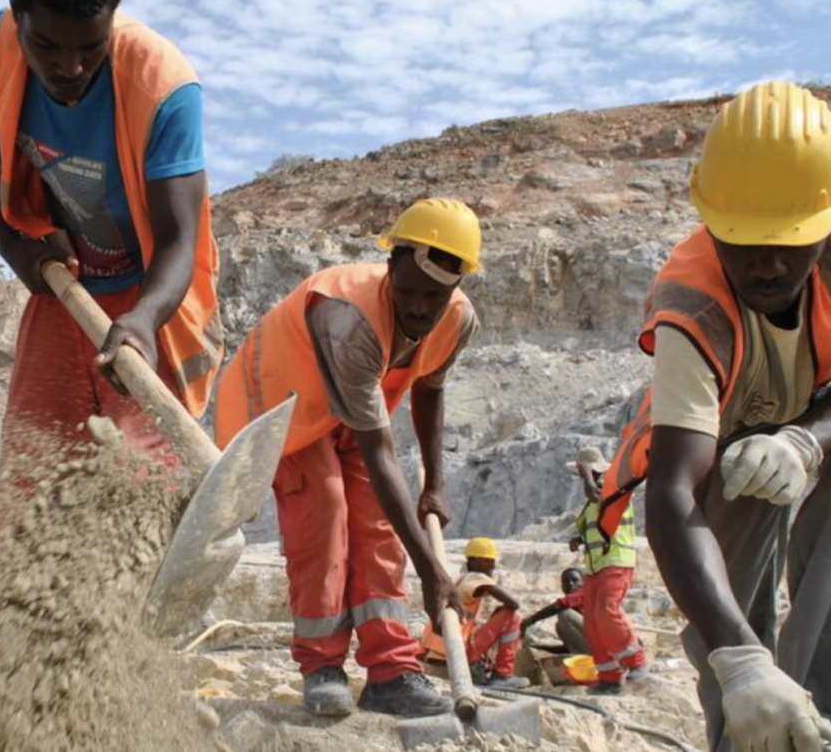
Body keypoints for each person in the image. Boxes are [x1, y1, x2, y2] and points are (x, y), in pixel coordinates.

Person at [598, 82, 831, 751]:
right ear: (712, 218)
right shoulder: (690, 307)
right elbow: (673, 494)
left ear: (826, 217)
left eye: (793, 243)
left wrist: (807, 442)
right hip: (729, 436)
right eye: (746, 242)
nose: (770, 264)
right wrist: (742, 662)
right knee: (729, 594)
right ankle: (749, 731)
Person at [0, 0, 220, 529]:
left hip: (151, 290)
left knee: (141, 472)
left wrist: (144, 320)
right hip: (63, 281)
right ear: (17, 17)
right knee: (35, 465)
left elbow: (180, 237)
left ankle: (132, 612)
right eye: (47, 45)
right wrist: (12, 246)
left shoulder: (165, 86)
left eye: (91, 47)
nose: (69, 67)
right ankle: (23, 608)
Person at [214, 198, 483, 718]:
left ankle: (391, 672)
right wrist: (433, 571)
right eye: (407, 291)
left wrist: (435, 484)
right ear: (389, 267)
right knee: (327, 513)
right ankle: (322, 667)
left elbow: (430, 386)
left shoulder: (458, 321)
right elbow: (380, 452)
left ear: (458, 286)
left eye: (435, 295)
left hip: (345, 414)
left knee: (380, 526)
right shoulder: (348, 316)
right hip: (282, 410)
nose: (419, 308)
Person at [569, 446, 648, 695]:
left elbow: (596, 495)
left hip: (616, 560)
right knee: (592, 622)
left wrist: (588, 473)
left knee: (607, 612)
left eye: (581, 471)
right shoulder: (591, 499)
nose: (580, 477)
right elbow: (596, 522)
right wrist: (578, 539)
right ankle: (609, 677)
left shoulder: (611, 486)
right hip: (596, 565)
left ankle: (637, 660)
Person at [448, 537, 530, 689]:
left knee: (502, 615)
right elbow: (513, 604)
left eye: (492, 560)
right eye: (486, 560)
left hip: (447, 647)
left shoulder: (460, 579)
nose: (491, 565)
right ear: (472, 561)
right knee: (513, 616)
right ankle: (503, 674)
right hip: (459, 649)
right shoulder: (475, 577)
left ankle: (489, 666)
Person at [519, 566, 588, 656]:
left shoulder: (585, 591)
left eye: (575, 580)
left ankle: (585, 659)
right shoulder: (574, 618)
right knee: (559, 626)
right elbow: (570, 648)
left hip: (601, 644)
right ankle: (584, 659)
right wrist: (539, 647)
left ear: (583, 583)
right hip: (594, 647)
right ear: (562, 586)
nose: (570, 584)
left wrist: (530, 621)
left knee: (565, 614)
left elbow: (558, 606)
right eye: (565, 581)